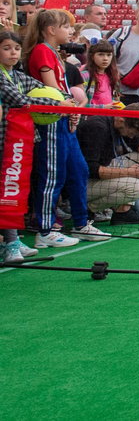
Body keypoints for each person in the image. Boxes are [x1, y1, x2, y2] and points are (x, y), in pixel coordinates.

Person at [23, 9, 108, 245]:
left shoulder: (52, 52)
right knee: (52, 175)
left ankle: (81, 224)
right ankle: (44, 230)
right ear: (51, 30)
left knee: (78, 170)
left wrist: (71, 109)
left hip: (64, 118)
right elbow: (53, 91)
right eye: (66, 27)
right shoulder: (41, 51)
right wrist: (69, 107)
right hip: (50, 121)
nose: (71, 31)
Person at [0, 29, 62, 261]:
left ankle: (12, 240)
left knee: (13, 190)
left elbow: (47, 90)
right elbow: (20, 100)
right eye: (6, 48)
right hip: (4, 141)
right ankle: (12, 242)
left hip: (16, 143)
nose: (13, 53)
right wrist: (54, 104)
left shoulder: (16, 75)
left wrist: (64, 101)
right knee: (7, 192)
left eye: (16, 48)